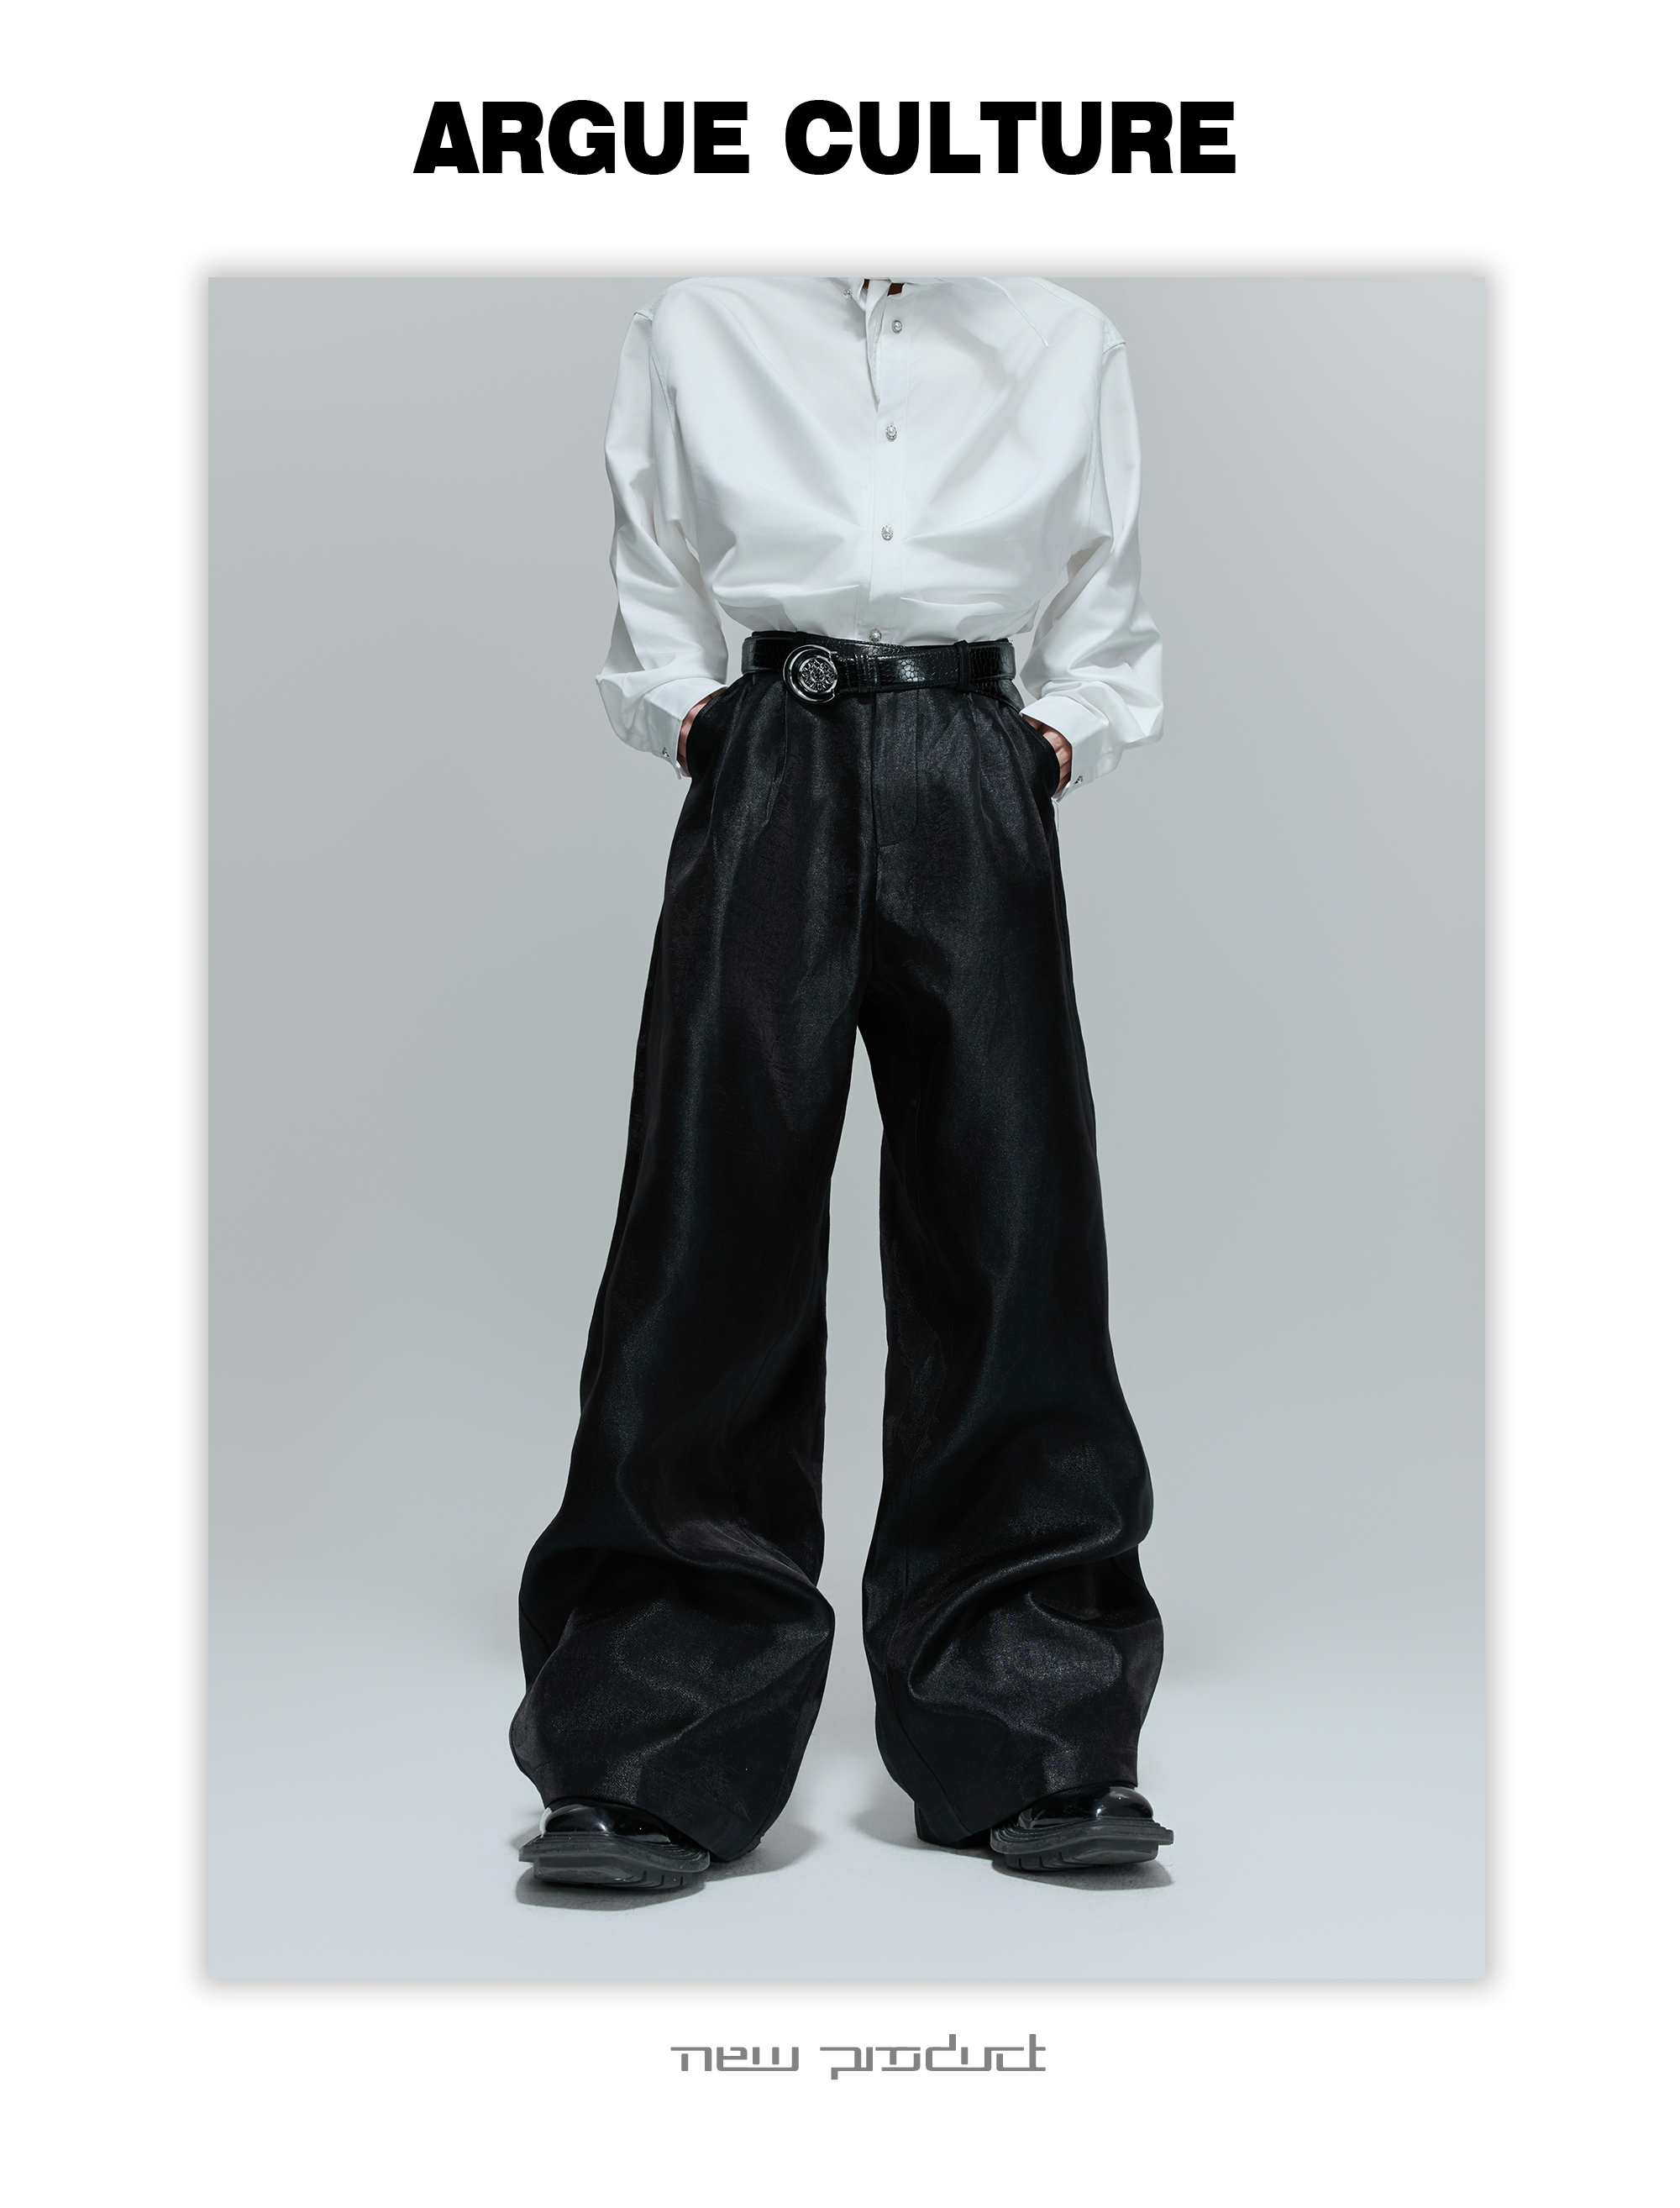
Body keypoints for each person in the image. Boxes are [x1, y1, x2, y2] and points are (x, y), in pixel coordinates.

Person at [512, 277, 1173, 1890]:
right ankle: (654, 1734)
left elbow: (1105, 601)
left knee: (1011, 1234)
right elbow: (656, 573)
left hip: (971, 748)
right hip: (775, 758)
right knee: (708, 1232)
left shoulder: (1062, 333)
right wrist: (713, 730)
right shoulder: (701, 321)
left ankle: (1037, 1721)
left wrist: (1039, 744)